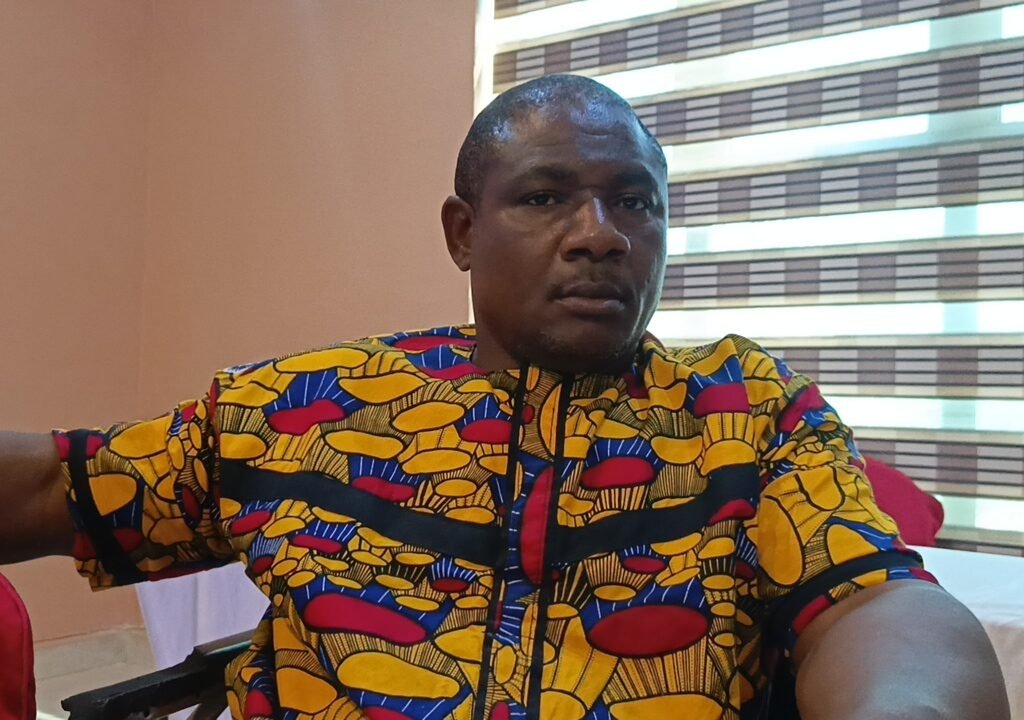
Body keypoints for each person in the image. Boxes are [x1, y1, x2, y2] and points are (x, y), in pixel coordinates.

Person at [0, 74, 1009, 720]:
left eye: (635, 201)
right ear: (462, 232)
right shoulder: (297, 408)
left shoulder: (746, 414)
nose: (600, 233)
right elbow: (58, 487)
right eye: (544, 196)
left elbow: (872, 599)